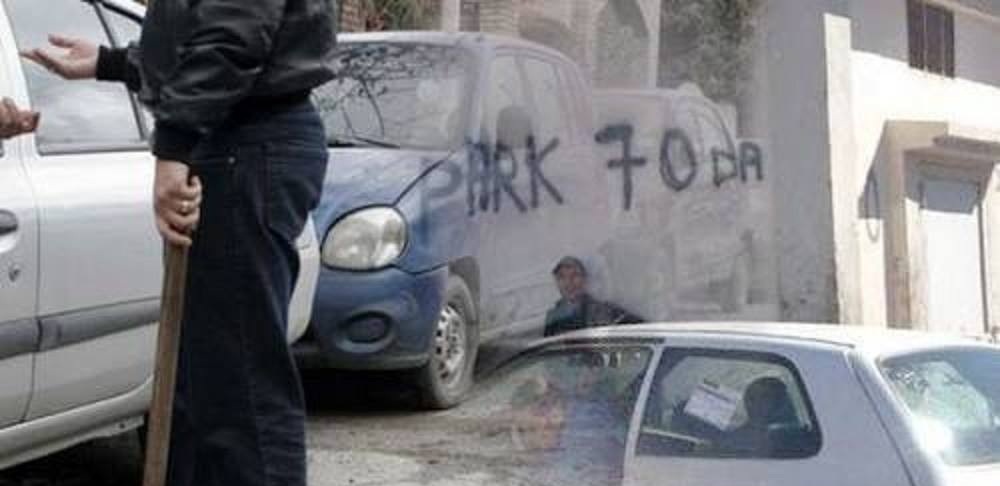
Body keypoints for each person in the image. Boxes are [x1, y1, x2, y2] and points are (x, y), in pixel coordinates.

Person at [23, 1, 336, 484]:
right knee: (203, 388)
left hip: (244, 142)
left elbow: (232, 37)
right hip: (236, 139)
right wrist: (113, 62)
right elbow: (208, 32)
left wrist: (174, 144)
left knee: (240, 387)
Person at [544, 256, 643, 337]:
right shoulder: (553, 317)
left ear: (584, 279)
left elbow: (639, 327)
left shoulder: (602, 310)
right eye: (562, 277)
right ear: (557, 282)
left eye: (575, 275)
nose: (568, 282)